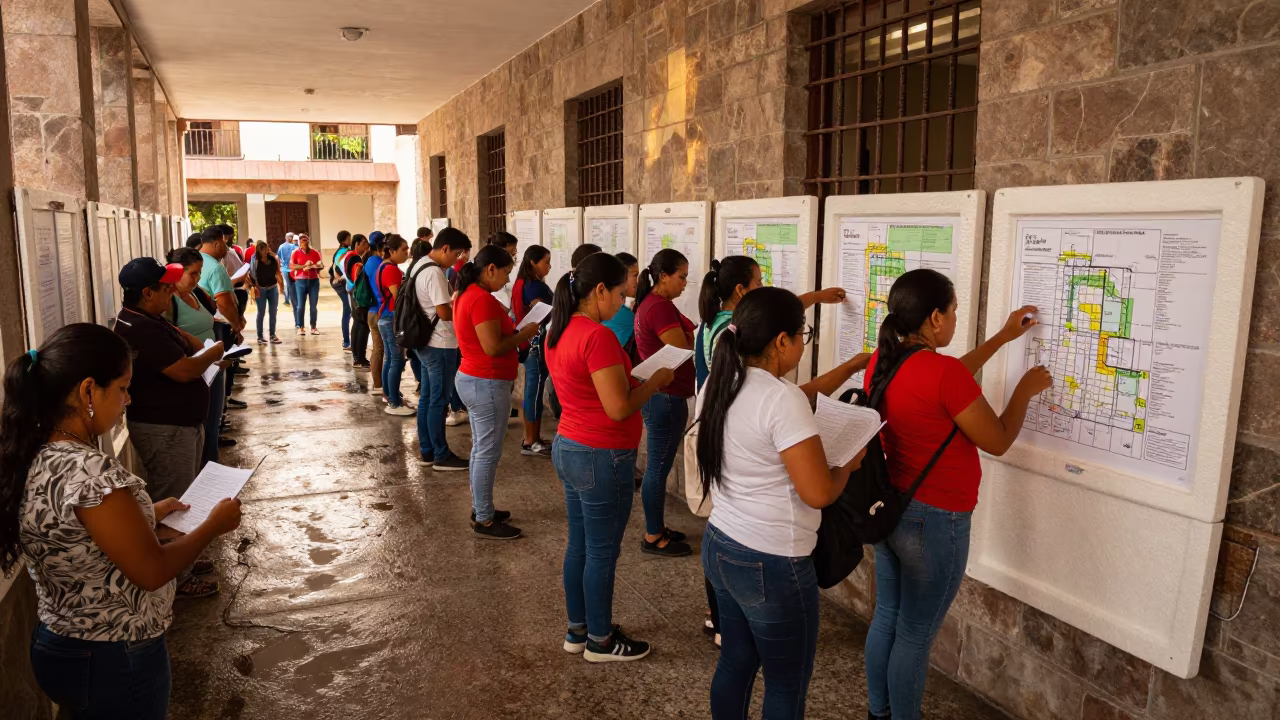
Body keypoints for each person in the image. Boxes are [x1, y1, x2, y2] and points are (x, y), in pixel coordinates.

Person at [0, 324, 243, 719]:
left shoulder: (31, 451)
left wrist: (148, 513)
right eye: (123, 389)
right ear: (87, 391)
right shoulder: (93, 473)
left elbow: (79, 537)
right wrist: (212, 526)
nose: (129, 400)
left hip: (59, 641)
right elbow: (151, 571)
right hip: (114, 652)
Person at [862, 270, 1050, 720]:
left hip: (892, 510)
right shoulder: (941, 372)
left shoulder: (883, 360)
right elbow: (998, 438)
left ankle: (878, 713)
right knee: (915, 633)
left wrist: (1002, 338)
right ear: (933, 318)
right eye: (953, 312)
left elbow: (947, 378)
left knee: (888, 614)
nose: (953, 319)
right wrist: (1022, 392)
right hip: (937, 520)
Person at [694, 288, 869, 719]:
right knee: (786, 685)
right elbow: (820, 493)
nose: (803, 342)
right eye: (802, 334)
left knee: (736, 660)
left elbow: (776, 416)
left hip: (722, 542)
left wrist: (846, 369)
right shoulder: (780, 398)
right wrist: (847, 462)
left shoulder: (722, 380)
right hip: (772, 561)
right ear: (780, 342)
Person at [546, 253, 675, 663]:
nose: (624, 302)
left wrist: (631, 378)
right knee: (601, 552)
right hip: (602, 456)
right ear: (599, 291)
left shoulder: (559, 327)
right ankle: (601, 641)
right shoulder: (597, 336)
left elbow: (591, 388)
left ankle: (578, 630)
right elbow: (618, 408)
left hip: (570, 446)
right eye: (620, 293)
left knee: (580, 546)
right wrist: (655, 382)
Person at [113, 258, 228, 599]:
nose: (173, 292)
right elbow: (183, 370)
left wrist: (200, 350)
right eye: (166, 288)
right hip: (165, 428)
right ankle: (176, 580)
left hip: (180, 424)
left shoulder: (151, 320)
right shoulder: (140, 327)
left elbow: (190, 344)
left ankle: (185, 562)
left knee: (185, 496)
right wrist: (216, 350)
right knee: (173, 500)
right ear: (147, 293)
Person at [454, 245, 540, 540]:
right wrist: (525, 334)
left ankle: (482, 508)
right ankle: (485, 520)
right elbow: (492, 347)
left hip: (475, 378)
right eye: (504, 273)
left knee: (482, 449)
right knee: (487, 452)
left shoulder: (469, 294)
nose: (506, 280)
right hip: (485, 381)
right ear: (490, 269)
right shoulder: (481, 300)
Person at [696, 256, 847, 388]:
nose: (762, 287)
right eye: (759, 282)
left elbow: (780, 310)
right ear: (741, 290)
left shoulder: (717, 317)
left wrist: (816, 297)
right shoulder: (739, 327)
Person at [632, 248, 694, 557]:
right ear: (664, 276)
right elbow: (682, 347)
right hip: (665, 398)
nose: (685, 283)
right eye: (681, 277)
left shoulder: (656, 303)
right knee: (657, 468)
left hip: (663, 395)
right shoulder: (658, 307)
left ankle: (656, 527)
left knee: (659, 466)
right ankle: (653, 535)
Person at [407, 228, 471, 470]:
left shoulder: (418, 264)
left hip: (423, 342)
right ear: (444, 248)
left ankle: (428, 450)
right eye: (456, 254)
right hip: (439, 343)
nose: (456, 260)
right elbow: (443, 312)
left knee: (427, 400)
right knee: (439, 401)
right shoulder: (434, 272)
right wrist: (459, 306)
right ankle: (441, 455)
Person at [165, 247, 227, 466]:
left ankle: (211, 473)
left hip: (213, 367)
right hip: (194, 371)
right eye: (193, 273)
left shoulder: (196, 292)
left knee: (212, 427)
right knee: (199, 429)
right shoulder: (168, 302)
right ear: (176, 271)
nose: (197, 278)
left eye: (199, 273)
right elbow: (170, 339)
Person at [511, 245, 553, 457]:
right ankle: (531, 441)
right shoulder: (534, 287)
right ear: (533, 263)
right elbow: (541, 313)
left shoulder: (522, 283)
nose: (549, 266)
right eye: (546, 262)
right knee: (534, 393)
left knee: (532, 392)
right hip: (535, 347)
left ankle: (533, 438)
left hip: (528, 346)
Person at [374, 235, 414, 416]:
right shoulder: (390, 270)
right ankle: (394, 403)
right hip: (391, 318)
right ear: (392, 251)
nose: (407, 253)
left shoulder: (385, 266)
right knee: (396, 360)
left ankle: (390, 394)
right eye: (403, 250)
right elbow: (398, 299)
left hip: (386, 317)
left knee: (390, 359)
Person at [249, 241, 285, 345]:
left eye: (267, 248)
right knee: (261, 312)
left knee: (273, 312)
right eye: (263, 249)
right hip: (260, 288)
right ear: (259, 250)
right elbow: (253, 275)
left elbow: (277, 272)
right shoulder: (255, 260)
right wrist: (257, 289)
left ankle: (272, 335)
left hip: (272, 287)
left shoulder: (273, 259)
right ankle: (260, 336)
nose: (266, 251)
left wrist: (281, 286)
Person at [602, 252, 639, 354]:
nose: (638, 281)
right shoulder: (620, 313)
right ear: (622, 276)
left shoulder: (609, 307)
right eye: (635, 275)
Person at [344, 234, 372, 368]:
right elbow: (357, 277)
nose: (367, 246)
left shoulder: (348, 255)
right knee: (362, 325)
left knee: (357, 324)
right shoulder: (355, 258)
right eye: (364, 243)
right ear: (357, 244)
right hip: (358, 294)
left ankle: (356, 356)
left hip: (352, 291)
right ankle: (360, 358)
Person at [364, 232, 386, 395]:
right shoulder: (380, 264)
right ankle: (379, 385)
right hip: (380, 310)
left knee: (377, 349)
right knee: (381, 350)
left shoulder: (369, 262)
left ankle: (378, 383)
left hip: (371, 311)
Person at [290, 234, 323, 336]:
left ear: (308, 242)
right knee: (300, 306)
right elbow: (292, 266)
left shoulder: (315, 253)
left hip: (313, 281)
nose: (304, 243)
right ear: (299, 243)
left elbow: (320, 264)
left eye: (306, 240)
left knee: (313, 306)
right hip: (300, 281)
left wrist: (316, 266)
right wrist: (304, 266)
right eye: (302, 241)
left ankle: (313, 327)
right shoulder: (296, 253)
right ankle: (301, 327)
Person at [331, 230, 353, 351]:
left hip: (342, 283)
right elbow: (342, 268)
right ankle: (346, 341)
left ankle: (348, 341)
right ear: (345, 239)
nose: (350, 240)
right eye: (349, 238)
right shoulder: (344, 252)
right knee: (348, 311)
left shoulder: (341, 251)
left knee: (348, 311)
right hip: (342, 284)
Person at [278, 232, 298, 307]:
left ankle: (287, 300)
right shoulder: (295, 247)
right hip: (292, 269)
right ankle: (294, 301)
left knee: (287, 285)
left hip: (284, 269)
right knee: (293, 285)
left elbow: (279, 257)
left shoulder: (281, 246)